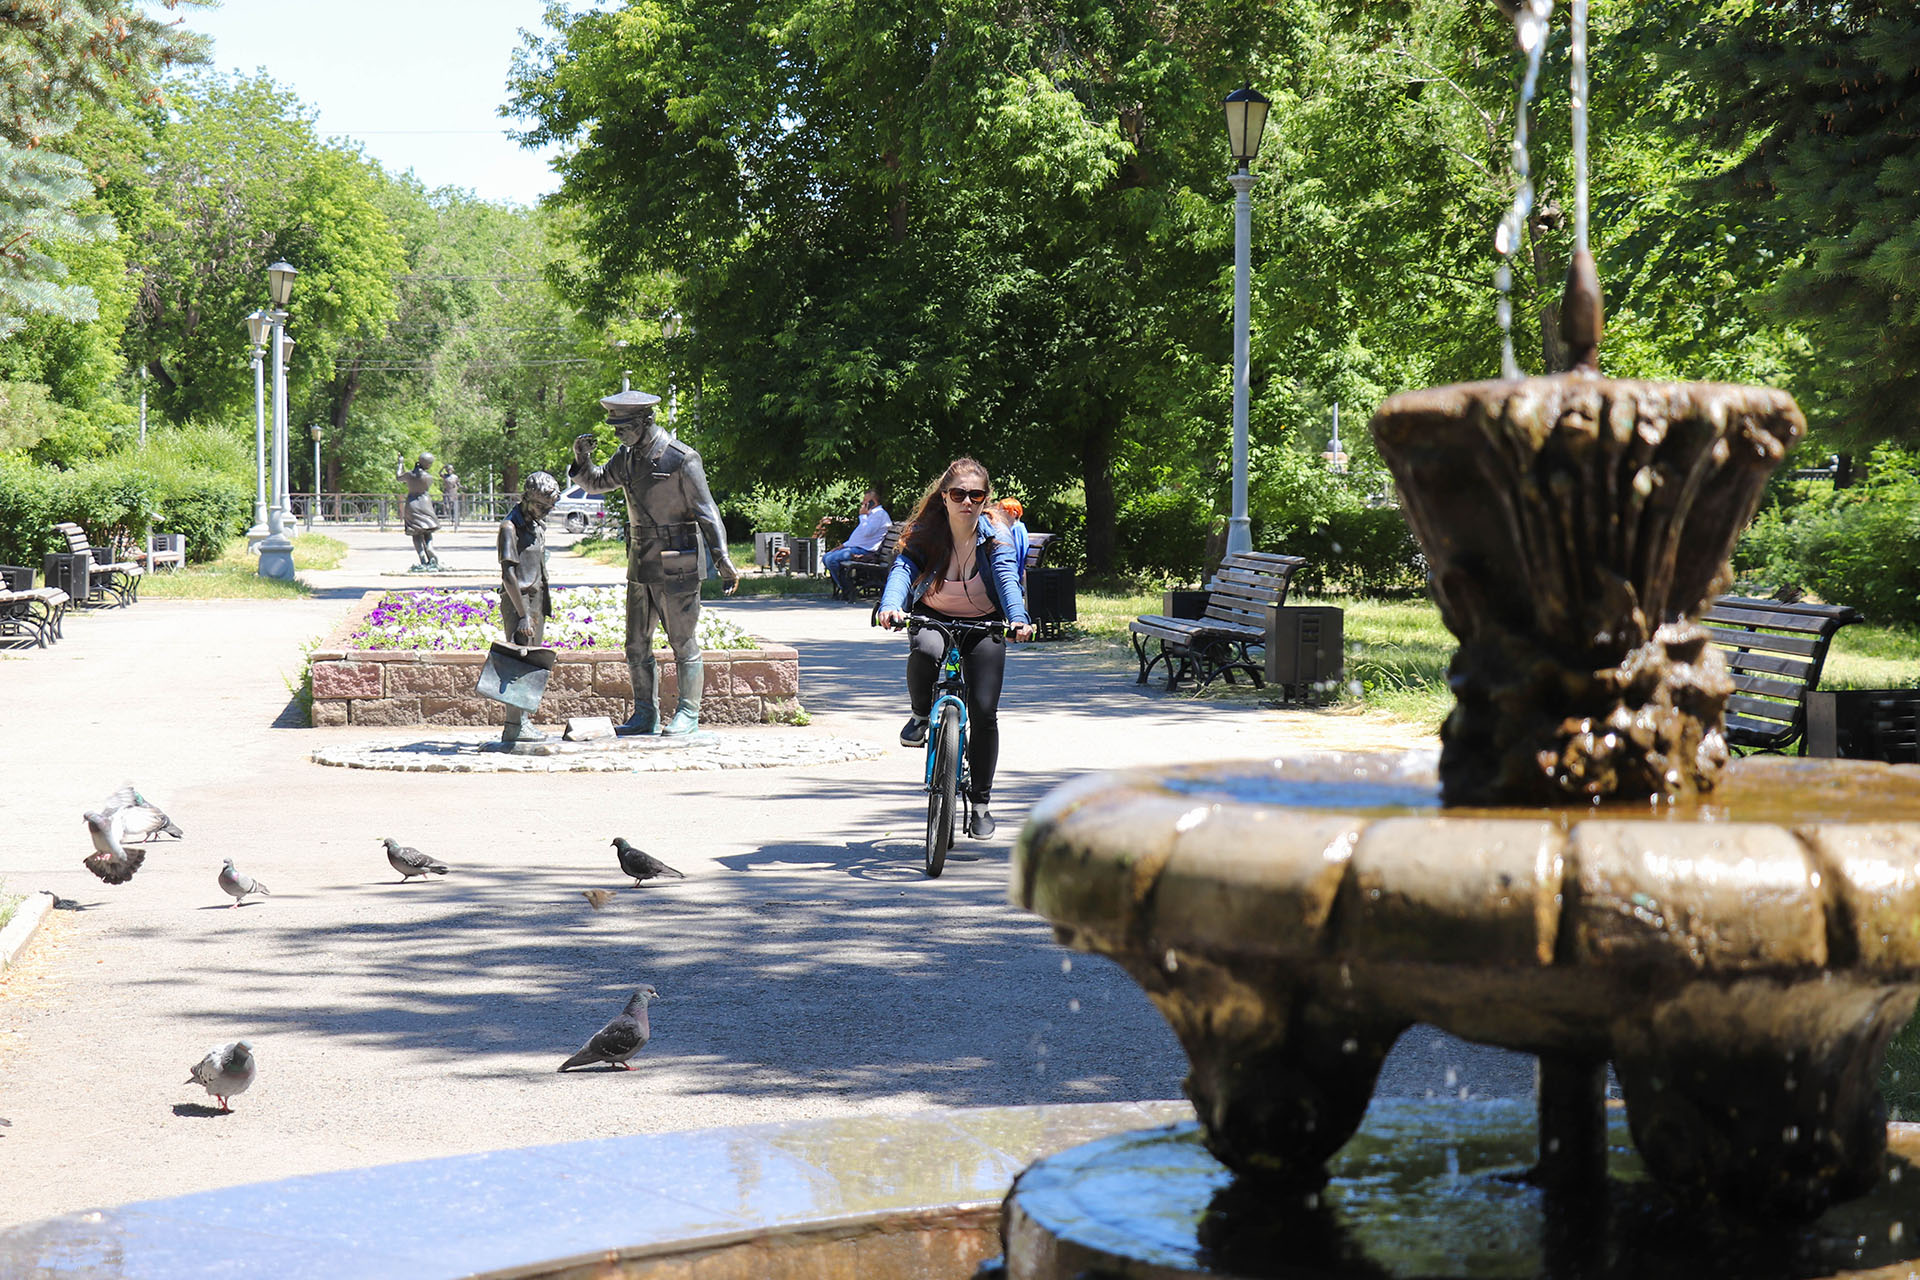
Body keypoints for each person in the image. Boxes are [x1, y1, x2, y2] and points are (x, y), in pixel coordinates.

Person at [876, 458, 1034, 839]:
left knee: (984, 711)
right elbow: (903, 569)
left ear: (985, 500)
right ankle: (919, 716)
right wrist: (891, 606)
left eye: (976, 495)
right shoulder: (927, 531)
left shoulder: (995, 536)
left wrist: (1018, 619)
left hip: (984, 622)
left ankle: (980, 805)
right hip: (934, 615)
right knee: (926, 651)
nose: (967, 502)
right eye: (959, 494)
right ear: (944, 496)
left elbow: (1007, 578)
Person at [570, 388, 740, 736]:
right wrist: (581, 458)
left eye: (623, 428)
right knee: (636, 643)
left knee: (682, 640)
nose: (618, 435)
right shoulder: (626, 457)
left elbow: (707, 512)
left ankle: (688, 713)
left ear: (646, 420)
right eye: (616, 429)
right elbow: (595, 482)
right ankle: (645, 714)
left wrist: (722, 557)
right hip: (640, 558)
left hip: (678, 554)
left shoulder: (681, 458)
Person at [496, 471, 560, 745]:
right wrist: (523, 615)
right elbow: (508, 575)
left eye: (549, 508)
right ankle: (514, 726)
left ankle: (522, 721)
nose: (545, 512)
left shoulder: (534, 524)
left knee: (531, 661)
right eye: (541, 506)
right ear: (526, 498)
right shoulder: (509, 528)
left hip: (535, 601)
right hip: (519, 603)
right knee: (518, 662)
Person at [823, 489, 891, 600]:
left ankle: (848, 589)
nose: (862, 503)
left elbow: (867, 532)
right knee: (826, 557)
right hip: (857, 548)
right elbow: (860, 537)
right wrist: (843, 545)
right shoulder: (871, 515)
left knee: (831, 560)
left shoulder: (879, 515)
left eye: (865, 500)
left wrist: (862, 516)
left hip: (866, 551)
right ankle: (846, 587)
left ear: (873, 502)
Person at [396, 451, 442, 567]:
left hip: (412, 504)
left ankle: (422, 557)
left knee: (415, 532)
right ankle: (430, 548)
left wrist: (400, 463)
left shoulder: (409, 475)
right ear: (428, 464)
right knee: (427, 530)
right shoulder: (429, 477)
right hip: (425, 504)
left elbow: (399, 477)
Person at [996, 496, 1032, 585]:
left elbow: (1018, 555)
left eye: (1003, 510)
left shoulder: (1017, 529)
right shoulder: (1011, 528)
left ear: (1014, 513)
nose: (999, 513)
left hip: (1013, 575)